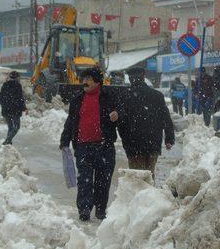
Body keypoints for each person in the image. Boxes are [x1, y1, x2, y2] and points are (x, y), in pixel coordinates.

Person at [59, 67, 118, 221]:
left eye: (88, 79)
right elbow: (71, 122)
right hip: (83, 147)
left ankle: (100, 209)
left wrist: (118, 115)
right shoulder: (78, 99)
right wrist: (64, 140)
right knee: (84, 180)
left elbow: (123, 114)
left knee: (103, 181)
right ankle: (84, 209)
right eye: (83, 79)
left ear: (97, 81)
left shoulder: (109, 97)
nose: (84, 82)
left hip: (104, 146)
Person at [118, 66, 175, 179]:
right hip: (153, 143)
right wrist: (169, 138)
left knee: (137, 179)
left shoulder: (125, 96)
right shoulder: (157, 95)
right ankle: (150, 195)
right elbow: (166, 118)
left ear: (130, 79)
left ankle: (143, 195)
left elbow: (121, 123)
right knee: (149, 176)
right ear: (143, 76)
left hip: (134, 144)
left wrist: (126, 141)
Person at [0, 71, 27, 145]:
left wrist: (4, 105)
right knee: (17, 127)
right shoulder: (18, 86)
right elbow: (20, 98)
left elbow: (0, 98)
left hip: (6, 110)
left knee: (10, 127)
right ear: (17, 77)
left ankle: (8, 143)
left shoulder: (5, 85)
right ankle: (7, 141)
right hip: (15, 110)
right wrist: (24, 108)